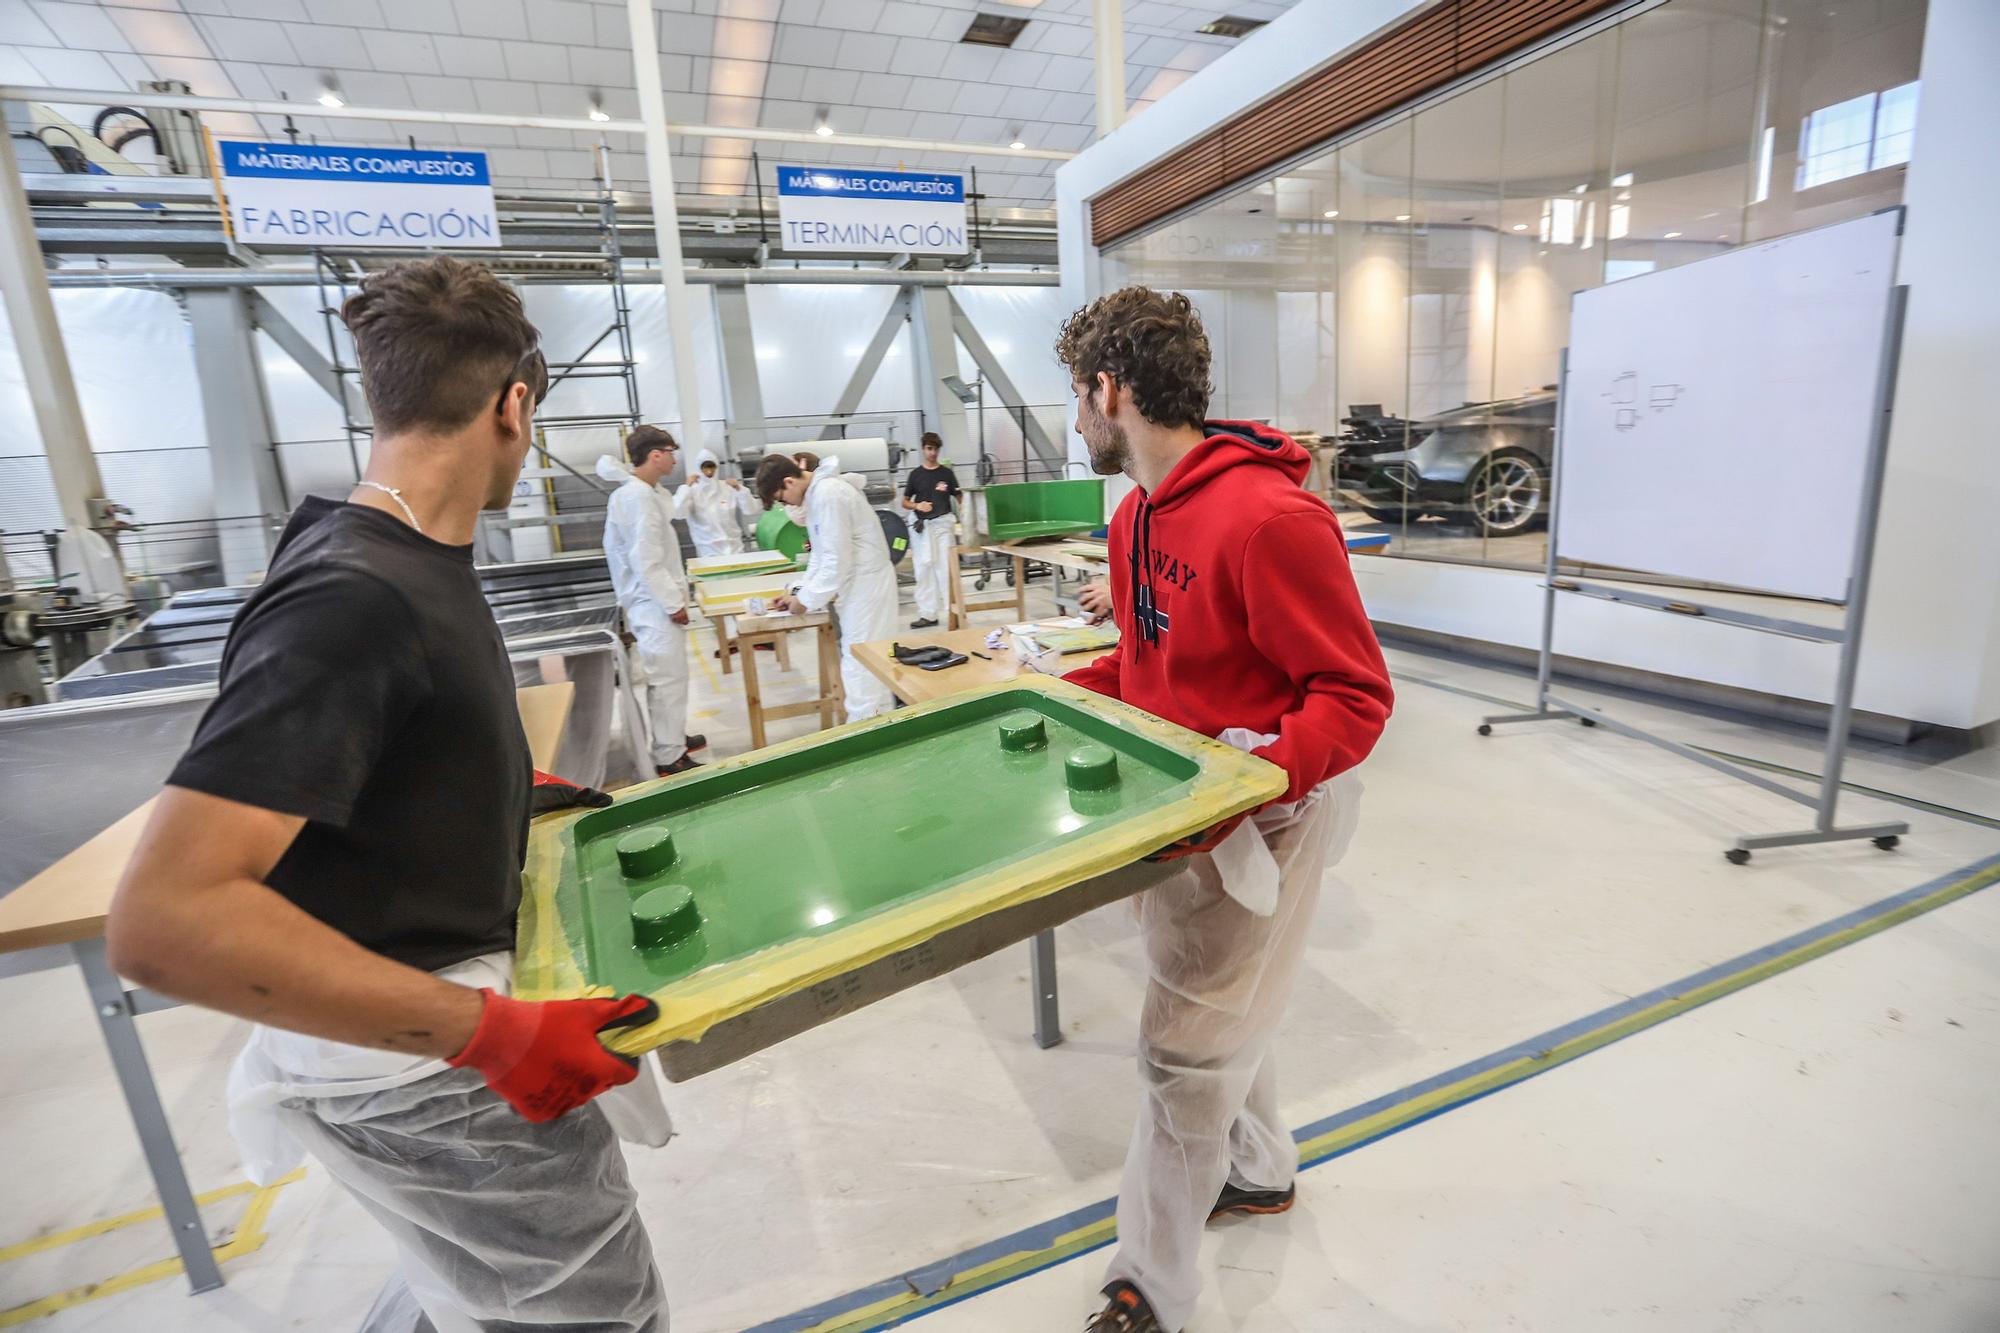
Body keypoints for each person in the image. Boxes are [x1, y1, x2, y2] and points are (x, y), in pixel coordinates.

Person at [104, 256, 669, 1333]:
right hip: (433, 1077)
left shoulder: (393, 550)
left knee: (462, 1296)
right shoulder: (353, 594)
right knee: (594, 1320)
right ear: (514, 405)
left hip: (427, 1057)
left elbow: (364, 759)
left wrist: (492, 791)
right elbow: (165, 922)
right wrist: (491, 1037)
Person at [1053, 288, 1394, 1333]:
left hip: (1265, 818)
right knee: (1219, 1006)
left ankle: (1151, 1285)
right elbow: (1149, 661)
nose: (1076, 418)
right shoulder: (1133, 515)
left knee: (1178, 1050)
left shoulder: (1271, 519)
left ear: (1108, 390)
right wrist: (1054, 691)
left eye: (1076, 396)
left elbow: (1353, 694)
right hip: (1181, 816)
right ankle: (1258, 1165)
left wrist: (1259, 773)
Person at [756, 453, 901, 722]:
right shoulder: (819, 495)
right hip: (858, 587)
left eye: (781, 497)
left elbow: (836, 561)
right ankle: (882, 728)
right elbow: (822, 556)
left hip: (867, 589)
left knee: (862, 668)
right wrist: (798, 590)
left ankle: (866, 738)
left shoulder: (828, 495)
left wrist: (806, 600)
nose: (785, 504)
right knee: (868, 667)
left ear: (789, 482)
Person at [601, 425, 706, 777]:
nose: (675, 459)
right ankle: (669, 756)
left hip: (650, 601)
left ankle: (672, 736)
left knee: (672, 675)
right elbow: (646, 559)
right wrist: (673, 602)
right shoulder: (638, 497)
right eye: (670, 452)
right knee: (667, 678)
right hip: (652, 603)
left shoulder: (646, 492)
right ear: (655, 455)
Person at [900, 431, 962, 629]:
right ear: (923, 449)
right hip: (922, 529)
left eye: (935, 449)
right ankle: (928, 614)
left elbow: (959, 497)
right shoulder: (916, 475)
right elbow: (905, 501)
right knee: (923, 570)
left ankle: (954, 612)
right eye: (929, 449)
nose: (932, 453)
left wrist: (967, 518)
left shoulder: (946, 474)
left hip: (942, 526)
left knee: (946, 568)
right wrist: (917, 506)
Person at [674, 447, 759, 557]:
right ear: (698, 468)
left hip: (735, 550)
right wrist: (686, 487)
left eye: (712, 467)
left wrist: (740, 489)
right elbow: (678, 513)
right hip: (708, 553)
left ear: (717, 467)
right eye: (705, 467)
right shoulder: (691, 492)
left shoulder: (727, 488)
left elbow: (750, 510)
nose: (709, 472)